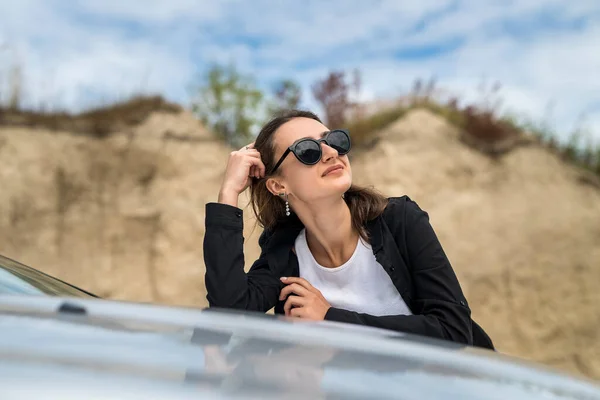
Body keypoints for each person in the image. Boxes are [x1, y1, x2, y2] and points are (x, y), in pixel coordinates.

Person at [203, 110, 493, 349]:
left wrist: (330, 317)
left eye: (334, 140)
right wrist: (229, 191)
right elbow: (229, 309)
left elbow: (454, 331)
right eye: (308, 150)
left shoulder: (400, 221)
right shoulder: (284, 253)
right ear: (278, 185)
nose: (330, 152)